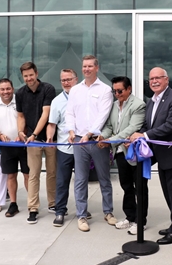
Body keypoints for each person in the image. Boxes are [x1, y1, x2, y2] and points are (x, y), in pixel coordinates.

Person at [131, 67, 172, 245]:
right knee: (169, 193)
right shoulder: (151, 101)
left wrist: (145, 136)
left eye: (158, 78)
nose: (154, 81)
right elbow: (149, 125)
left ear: (167, 79)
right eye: (151, 79)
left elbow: (171, 125)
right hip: (161, 155)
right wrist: (135, 135)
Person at [65, 55, 115, 232]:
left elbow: (103, 115)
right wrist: (71, 131)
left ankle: (108, 212)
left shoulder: (105, 90)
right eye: (84, 66)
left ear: (96, 68)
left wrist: (90, 134)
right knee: (80, 180)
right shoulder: (75, 90)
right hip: (79, 141)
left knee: (104, 178)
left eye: (90, 66)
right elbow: (69, 113)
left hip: (97, 141)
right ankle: (81, 215)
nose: (86, 69)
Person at [99, 76, 146, 234]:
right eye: (115, 91)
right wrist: (102, 137)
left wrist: (109, 140)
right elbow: (109, 127)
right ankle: (130, 217)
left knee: (140, 187)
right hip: (120, 152)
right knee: (126, 186)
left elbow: (132, 128)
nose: (117, 94)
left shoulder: (138, 105)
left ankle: (141, 221)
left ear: (129, 89)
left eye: (120, 90)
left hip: (135, 152)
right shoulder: (112, 106)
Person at [16, 62, 57, 224]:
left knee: (52, 172)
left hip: (49, 137)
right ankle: (33, 208)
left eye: (31, 75)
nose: (28, 78)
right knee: (33, 174)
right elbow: (20, 116)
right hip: (31, 140)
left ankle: (53, 204)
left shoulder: (48, 89)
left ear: (36, 73)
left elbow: (46, 114)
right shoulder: (20, 94)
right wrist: (21, 131)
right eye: (25, 76)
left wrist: (34, 134)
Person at [0, 78, 29, 217]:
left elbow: (28, 120)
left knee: (28, 175)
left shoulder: (20, 102)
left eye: (8, 88)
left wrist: (23, 133)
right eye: (2, 89)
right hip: (7, 147)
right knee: (11, 175)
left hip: (23, 144)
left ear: (12, 88)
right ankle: (13, 204)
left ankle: (32, 204)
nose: (6, 92)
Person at [46, 69, 85, 227]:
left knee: (81, 182)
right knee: (62, 181)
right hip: (65, 148)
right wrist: (50, 137)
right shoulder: (57, 101)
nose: (66, 83)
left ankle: (82, 210)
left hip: (82, 147)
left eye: (69, 79)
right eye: (63, 80)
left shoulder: (84, 97)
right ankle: (60, 211)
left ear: (76, 79)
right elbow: (52, 124)